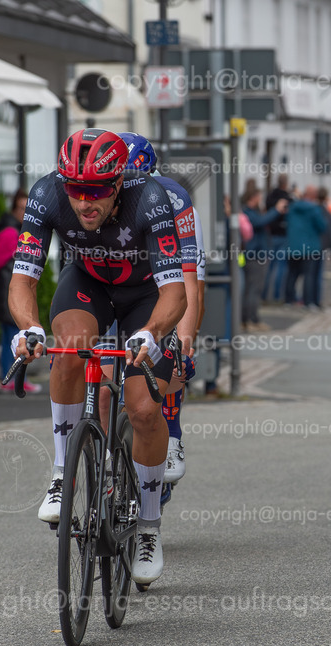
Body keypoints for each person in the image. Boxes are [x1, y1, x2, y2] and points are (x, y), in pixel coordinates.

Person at [8, 128, 186, 586]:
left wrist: (151, 334)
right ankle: (64, 470)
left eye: (95, 193)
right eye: (76, 191)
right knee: (66, 351)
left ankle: (148, 525)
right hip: (88, 285)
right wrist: (28, 327)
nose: (84, 204)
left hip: (146, 296)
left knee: (145, 409)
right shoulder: (47, 194)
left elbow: (175, 293)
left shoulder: (149, 199)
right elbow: (22, 280)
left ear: (116, 185)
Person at [117, 132, 205, 490]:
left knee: (170, 355)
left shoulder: (172, 201)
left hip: (164, 288)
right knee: (104, 378)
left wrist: (185, 341)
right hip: (118, 288)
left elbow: (190, 283)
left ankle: (170, 432)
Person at [0, 188, 41, 393]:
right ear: (14, 210)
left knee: (10, 337)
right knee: (17, 335)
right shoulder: (10, 232)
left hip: (5, 289)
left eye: (28, 208)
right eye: (21, 208)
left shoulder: (16, 230)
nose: (25, 213)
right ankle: (14, 379)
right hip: (7, 291)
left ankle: (10, 378)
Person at [241, 185, 286, 331]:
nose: (260, 199)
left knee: (252, 289)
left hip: (256, 254)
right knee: (254, 289)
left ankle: (249, 319)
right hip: (255, 255)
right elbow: (261, 222)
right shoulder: (248, 213)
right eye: (258, 196)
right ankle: (250, 320)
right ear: (253, 197)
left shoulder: (252, 212)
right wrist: (276, 210)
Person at [284, 186, 326, 310]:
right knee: (309, 275)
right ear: (314, 196)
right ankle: (308, 302)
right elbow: (322, 226)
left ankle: (288, 300)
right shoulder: (314, 209)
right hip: (310, 247)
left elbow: (286, 221)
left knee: (292, 274)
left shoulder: (292, 208)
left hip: (294, 246)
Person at [263, 174, 293, 303]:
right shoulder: (288, 198)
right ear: (286, 183)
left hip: (271, 235)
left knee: (269, 267)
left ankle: (264, 295)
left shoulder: (270, 196)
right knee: (281, 267)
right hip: (283, 235)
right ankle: (276, 296)